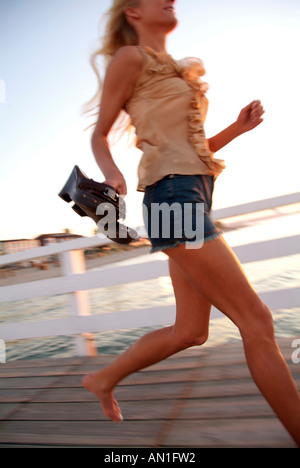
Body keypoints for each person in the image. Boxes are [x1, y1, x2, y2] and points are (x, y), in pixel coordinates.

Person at [82, 0, 300, 446]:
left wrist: (236, 130)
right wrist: (112, 174)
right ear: (134, 14)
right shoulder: (131, 59)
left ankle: (103, 378)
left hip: (191, 194)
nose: (171, 0)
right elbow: (99, 133)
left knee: (191, 331)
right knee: (256, 320)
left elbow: (193, 150)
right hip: (172, 197)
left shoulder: (179, 72)